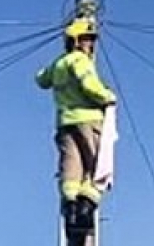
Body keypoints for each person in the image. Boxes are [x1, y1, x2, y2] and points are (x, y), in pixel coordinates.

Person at [35, 19, 116, 229]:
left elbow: (41, 80)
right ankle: (85, 209)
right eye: (88, 39)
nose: (91, 44)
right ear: (77, 41)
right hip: (89, 120)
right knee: (95, 167)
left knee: (71, 168)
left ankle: (70, 209)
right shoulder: (80, 61)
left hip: (65, 123)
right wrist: (107, 96)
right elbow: (89, 85)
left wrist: (50, 71)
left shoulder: (59, 63)